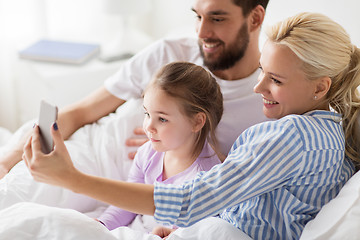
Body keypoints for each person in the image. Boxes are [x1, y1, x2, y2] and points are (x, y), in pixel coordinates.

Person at [24, 12, 360, 239]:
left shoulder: (293, 136)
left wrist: (72, 179)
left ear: (321, 87)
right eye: (262, 72)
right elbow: (270, 207)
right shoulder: (331, 133)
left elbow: (189, 202)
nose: (259, 88)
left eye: (275, 80)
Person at [0, 0, 270, 179]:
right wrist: (7, 162)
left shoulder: (271, 97)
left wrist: (176, 144)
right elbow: (82, 112)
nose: (201, 32)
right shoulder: (170, 52)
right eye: (197, 17)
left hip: (129, 186)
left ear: (255, 18)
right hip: (89, 152)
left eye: (217, 19)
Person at [96, 61, 224, 232]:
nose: (148, 126)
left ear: (197, 121)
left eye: (162, 119)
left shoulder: (207, 177)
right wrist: (101, 225)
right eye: (147, 114)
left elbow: (198, 232)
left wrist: (171, 235)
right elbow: (127, 202)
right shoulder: (147, 153)